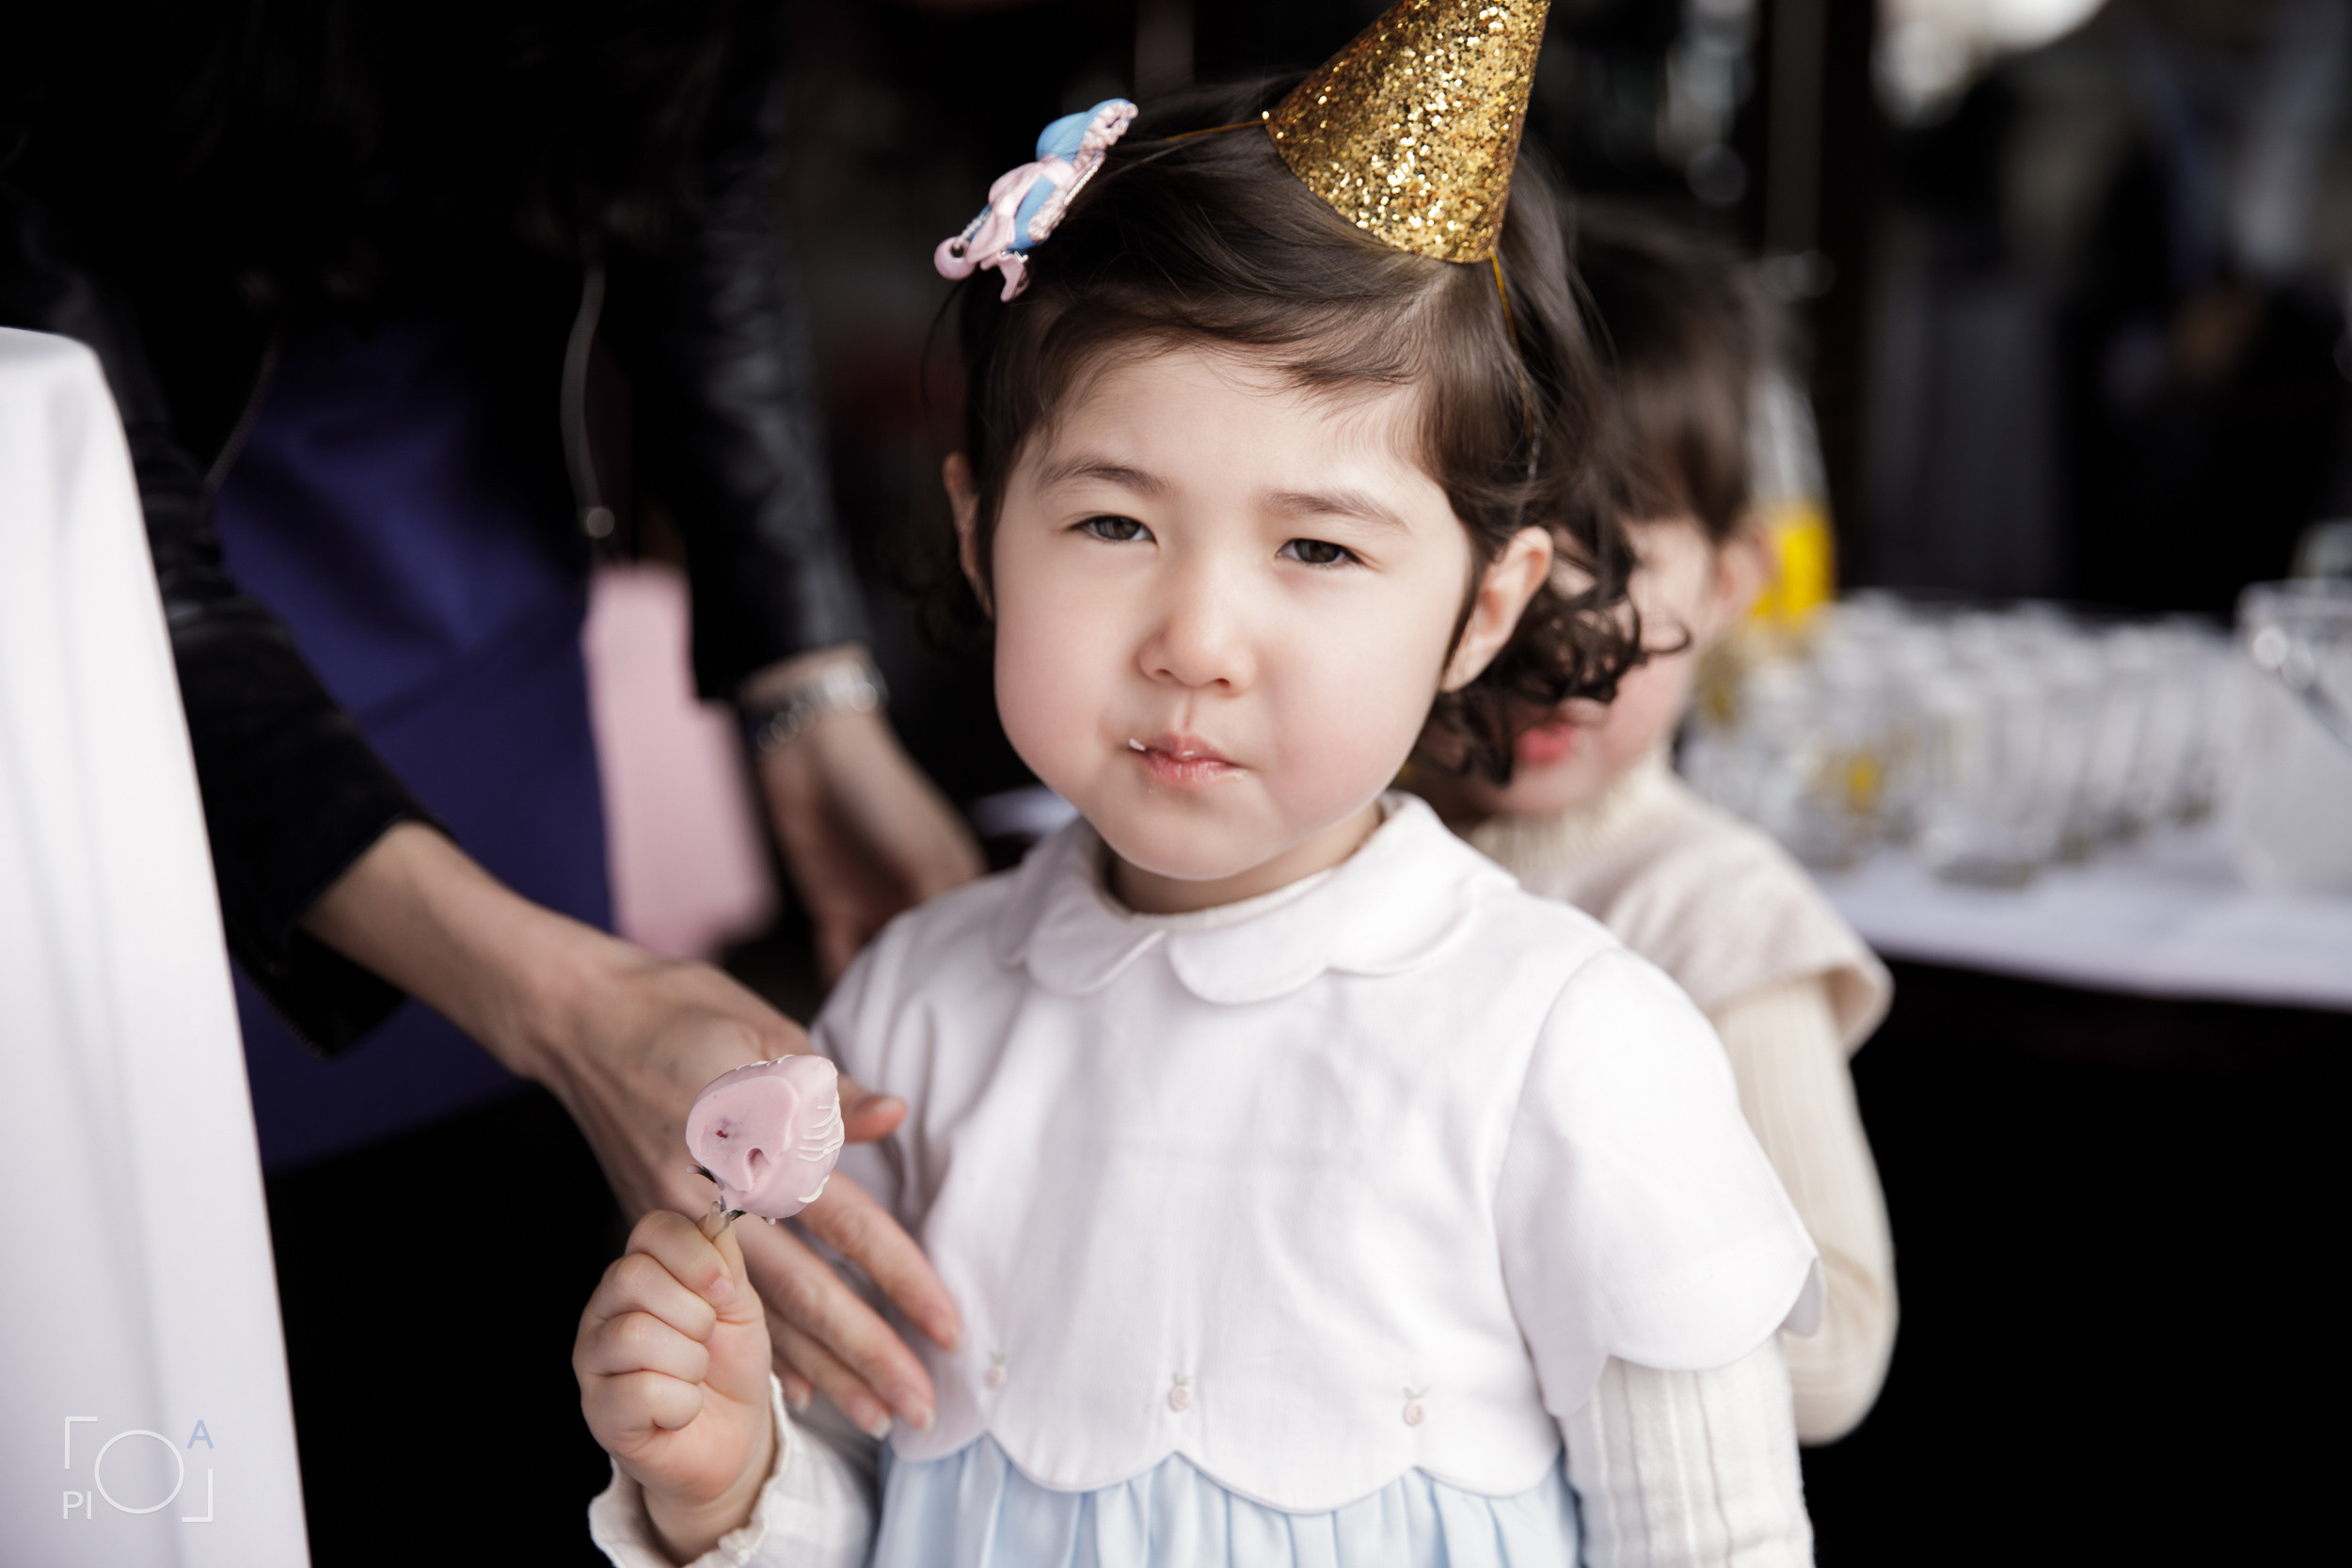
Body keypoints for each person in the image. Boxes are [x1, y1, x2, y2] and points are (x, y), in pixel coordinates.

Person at [573, 19, 1824, 1563]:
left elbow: (1715, 1541)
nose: (1196, 643)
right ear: (980, 535)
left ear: (1482, 613)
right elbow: (859, 1475)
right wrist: (726, 1478)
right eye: (1113, 525)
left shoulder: (1571, 1049)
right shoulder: (909, 1016)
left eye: (1316, 549)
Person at [0, 1, 970, 1550]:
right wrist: (576, 1006)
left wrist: (814, 706)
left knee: (530, 1358)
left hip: (496, 643)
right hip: (129, 697)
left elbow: (694, 187)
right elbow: (99, 534)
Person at [1418, 210, 1898, 1443]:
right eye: (1490, 544)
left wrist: (1464, 1306)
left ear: (1729, 584)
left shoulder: (1711, 917)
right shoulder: (1334, 836)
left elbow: (1835, 1344)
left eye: (1618, 557)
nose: (1546, 629)